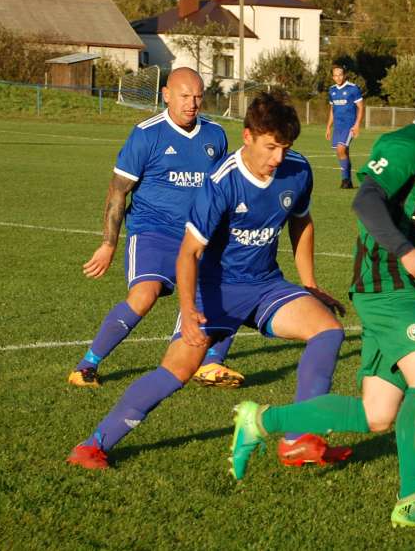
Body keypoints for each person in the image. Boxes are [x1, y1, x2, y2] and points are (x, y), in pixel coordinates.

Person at [229, 65, 415, 530]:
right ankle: (411, 500)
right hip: (387, 284)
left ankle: (261, 421)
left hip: (398, 287)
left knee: (377, 415)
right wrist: (406, 250)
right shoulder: (406, 144)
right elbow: (366, 200)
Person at [67, 92, 350, 469]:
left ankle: (298, 436)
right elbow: (188, 253)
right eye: (270, 147)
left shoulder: (297, 170)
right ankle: (93, 445)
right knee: (175, 373)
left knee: (328, 331)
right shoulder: (221, 183)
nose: (278, 158)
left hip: (265, 284)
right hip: (214, 292)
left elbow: (301, 220)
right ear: (247, 136)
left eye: (285, 147)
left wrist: (310, 283)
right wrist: (187, 310)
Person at [69, 67, 243, 388]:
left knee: (228, 291)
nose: (192, 104)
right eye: (184, 96)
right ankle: (86, 366)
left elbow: (220, 188)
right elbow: (118, 190)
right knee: (144, 295)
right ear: (166, 95)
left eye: (198, 97)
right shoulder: (147, 134)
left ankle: (211, 364)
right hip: (153, 231)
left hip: (197, 237)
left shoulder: (215, 135)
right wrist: (108, 244)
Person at [326, 65, 364, 189]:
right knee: (343, 152)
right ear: (333, 77)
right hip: (338, 126)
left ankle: (345, 179)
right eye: (336, 75)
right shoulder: (332, 90)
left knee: (341, 149)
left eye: (340, 74)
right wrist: (328, 127)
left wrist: (357, 124)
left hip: (349, 126)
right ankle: (348, 181)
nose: (338, 77)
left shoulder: (353, 89)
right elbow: (332, 109)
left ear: (344, 75)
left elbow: (360, 107)